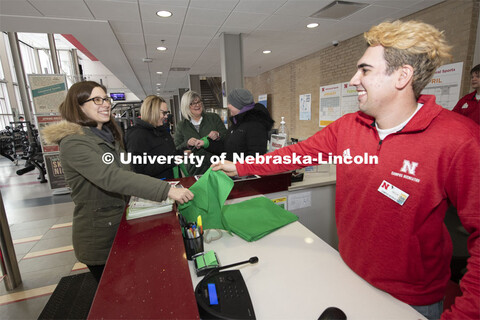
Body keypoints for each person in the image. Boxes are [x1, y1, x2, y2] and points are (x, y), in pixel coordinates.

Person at [212, 20, 479, 320]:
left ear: (403, 76)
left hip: (412, 300)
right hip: (349, 272)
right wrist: (240, 166)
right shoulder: (348, 127)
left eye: (365, 70)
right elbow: (296, 155)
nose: (353, 80)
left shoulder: (458, 139)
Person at [42, 81, 193, 282]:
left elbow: (127, 171)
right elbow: (111, 177)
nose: (105, 104)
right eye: (96, 100)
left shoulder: (107, 137)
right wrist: (165, 189)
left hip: (121, 226)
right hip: (100, 236)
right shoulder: (73, 142)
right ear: (78, 106)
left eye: (106, 99)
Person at [196, 88, 274, 161]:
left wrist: (235, 167)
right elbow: (227, 147)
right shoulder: (237, 123)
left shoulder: (256, 125)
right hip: (233, 172)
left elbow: (255, 157)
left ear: (238, 105)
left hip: (242, 174)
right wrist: (207, 144)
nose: (228, 106)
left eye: (231, 103)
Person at [125, 95, 182, 179]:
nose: (166, 116)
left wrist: (182, 152)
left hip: (172, 181)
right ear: (152, 111)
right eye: (164, 113)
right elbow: (140, 169)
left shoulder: (161, 130)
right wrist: (171, 161)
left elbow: (168, 153)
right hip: (157, 187)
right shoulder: (137, 135)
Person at [174, 90, 227, 175]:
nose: (197, 105)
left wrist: (218, 135)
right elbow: (176, 149)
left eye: (199, 102)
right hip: (195, 171)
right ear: (186, 106)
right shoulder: (182, 125)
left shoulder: (214, 118)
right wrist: (187, 143)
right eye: (192, 103)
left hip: (217, 167)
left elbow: (226, 137)